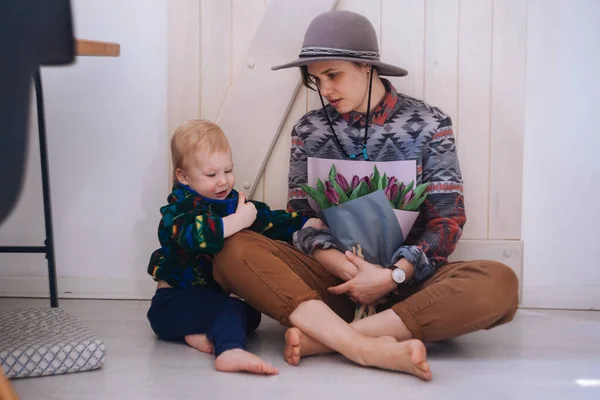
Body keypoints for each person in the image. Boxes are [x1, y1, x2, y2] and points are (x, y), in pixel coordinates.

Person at [211, 10, 518, 381]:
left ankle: (328, 341)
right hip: (331, 282)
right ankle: (365, 347)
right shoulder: (308, 130)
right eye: (316, 80)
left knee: (499, 282)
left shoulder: (430, 124)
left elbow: (446, 220)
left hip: (409, 288)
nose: (324, 90)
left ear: (367, 68)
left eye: (333, 75)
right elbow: (300, 217)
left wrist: (392, 277)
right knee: (232, 249)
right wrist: (347, 269)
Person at [145, 119, 322, 375]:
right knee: (231, 308)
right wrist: (239, 221)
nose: (223, 181)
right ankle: (229, 351)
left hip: (210, 301)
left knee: (251, 314)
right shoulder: (179, 210)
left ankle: (196, 332)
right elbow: (194, 236)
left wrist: (307, 223)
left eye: (228, 171)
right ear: (183, 176)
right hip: (171, 304)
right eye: (211, 174)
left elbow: (267, 220)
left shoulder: (230, 201)